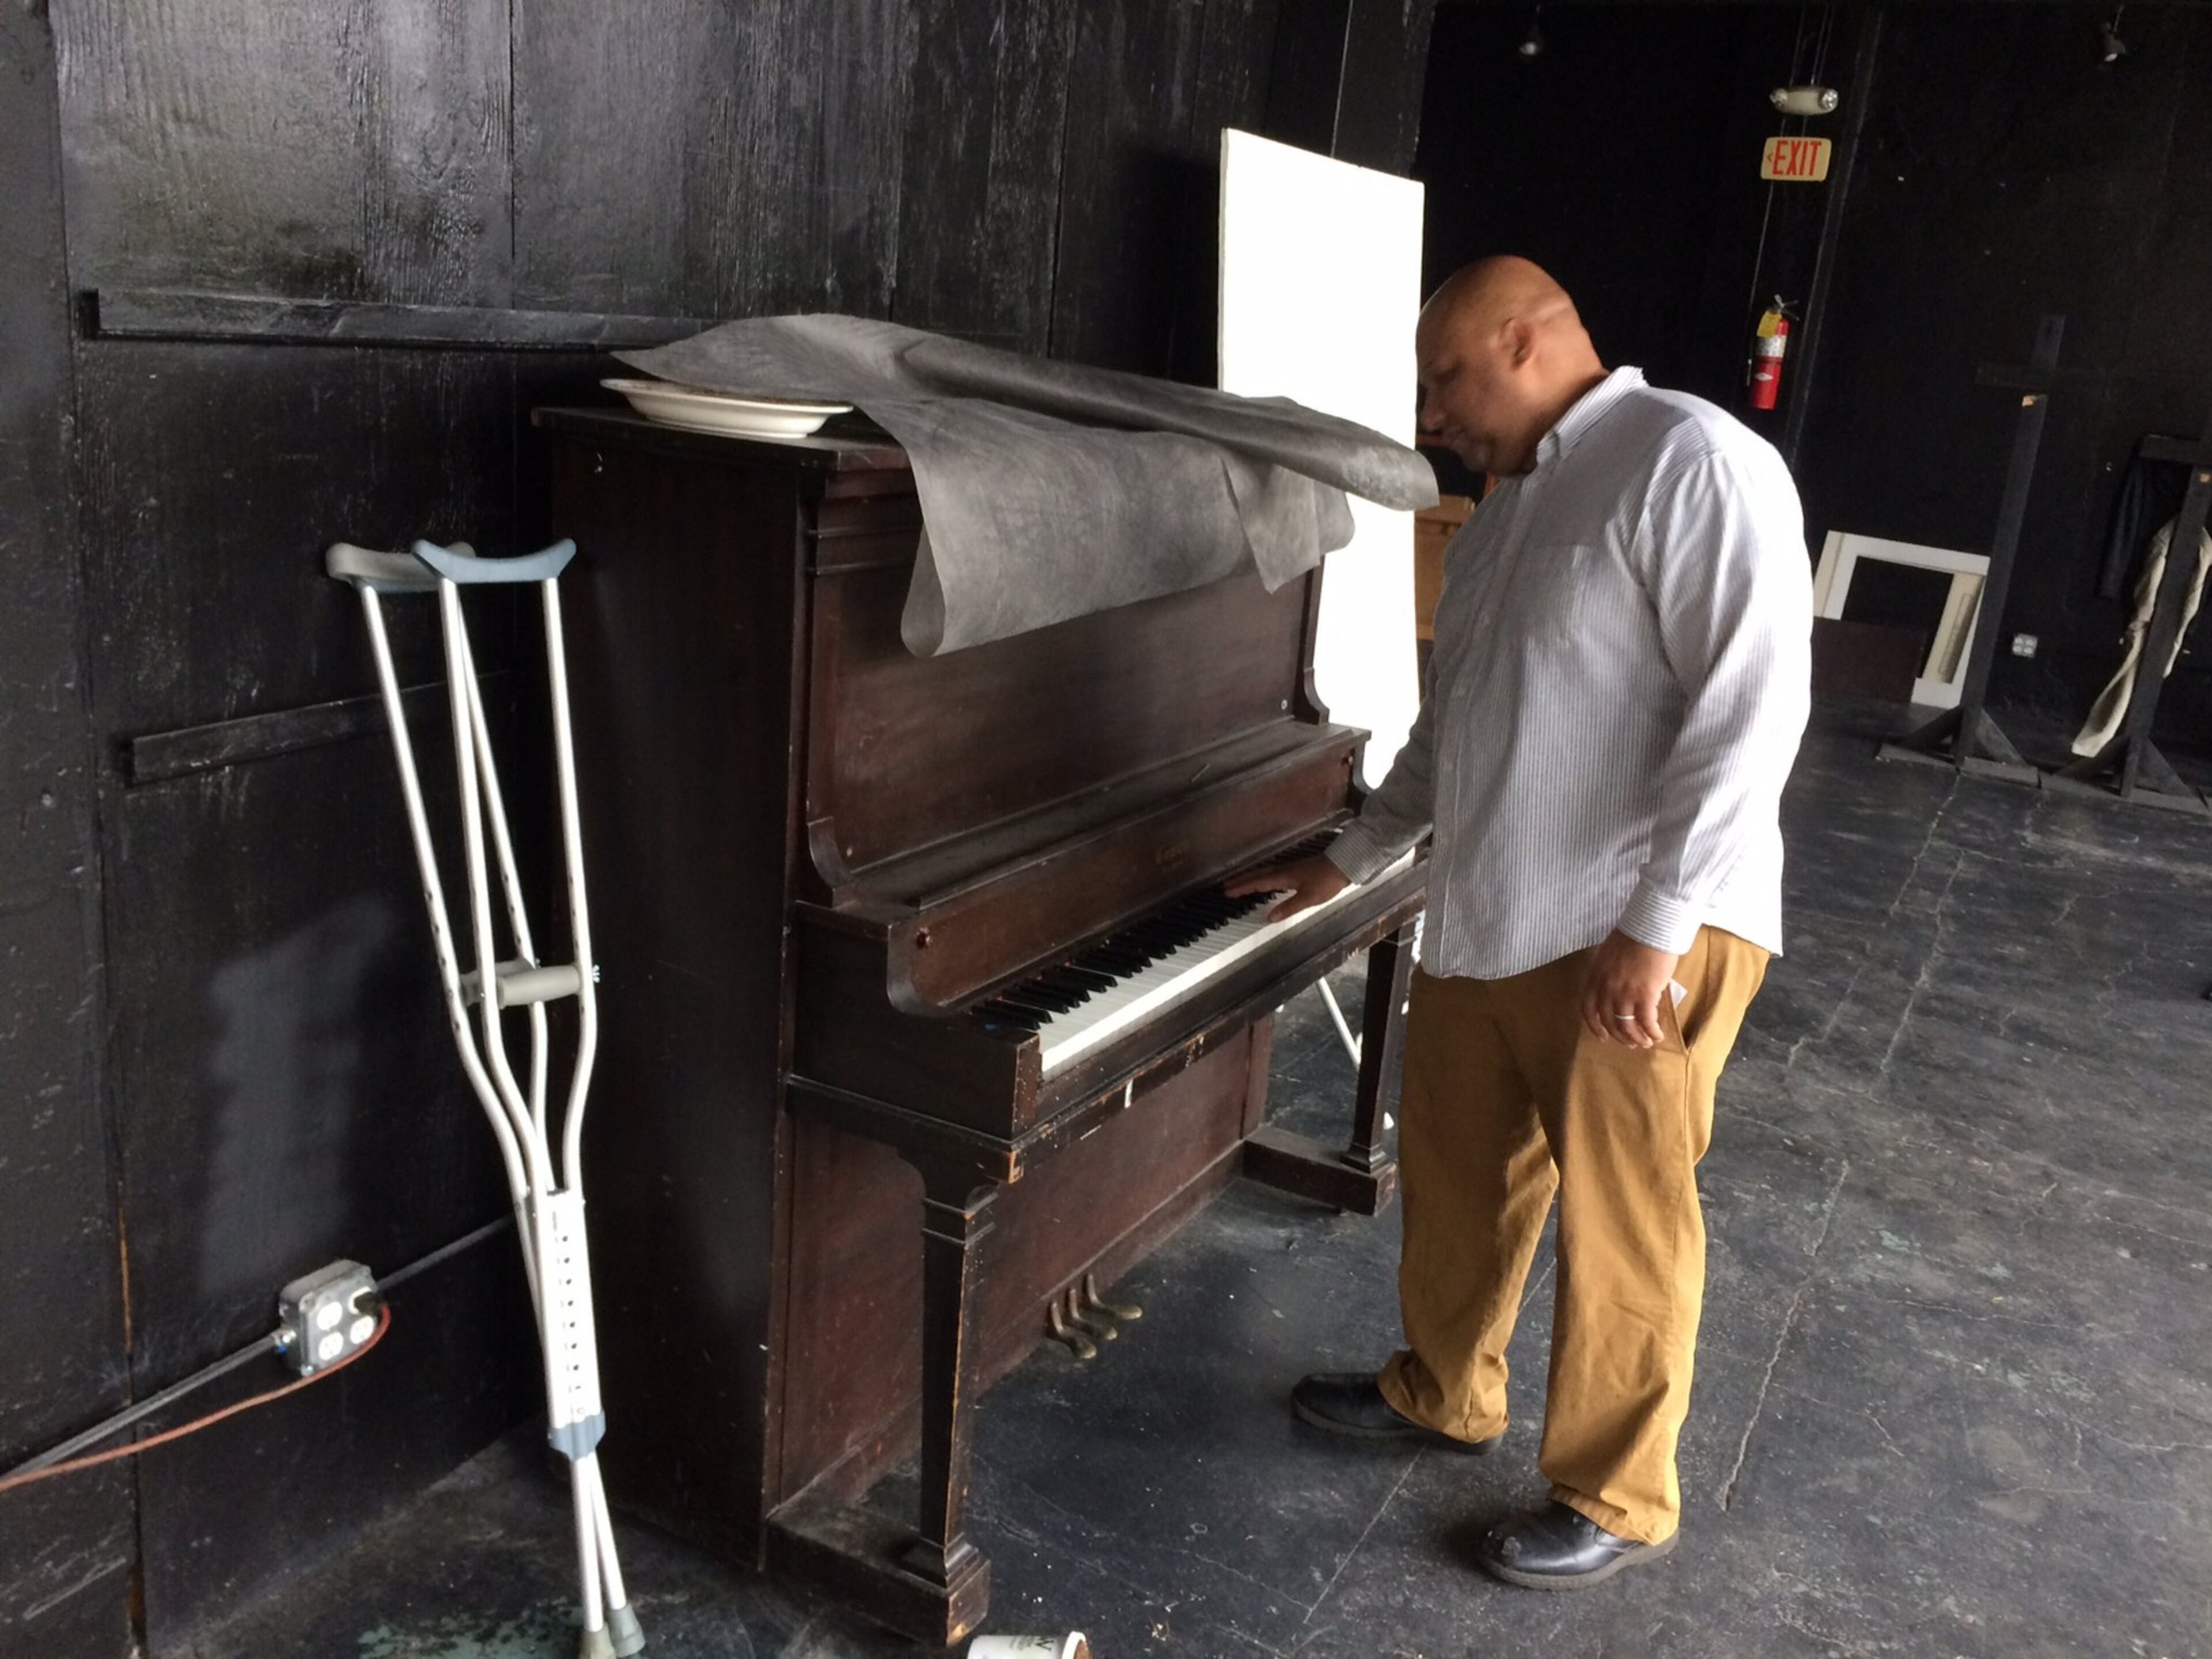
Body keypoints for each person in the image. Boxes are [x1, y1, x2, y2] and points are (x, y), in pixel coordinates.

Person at [1226, 256, 1811, 1590]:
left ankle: (1613, 1492)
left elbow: (1753, 712)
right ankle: (1444, 1389)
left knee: (1626, 1220)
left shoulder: (1694, 460)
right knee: (1459, 1178)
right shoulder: (1496, 520)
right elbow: (1456, 732)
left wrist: (1657, 930)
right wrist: (1357, 855)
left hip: (1631, 930)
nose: (1431, 412)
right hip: (1491, 919)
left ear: (1529, 336)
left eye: (1447, 377)